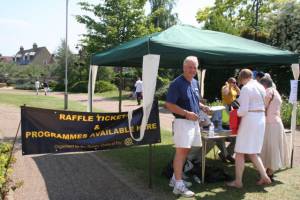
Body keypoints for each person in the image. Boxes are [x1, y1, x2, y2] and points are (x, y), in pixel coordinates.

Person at [165, 56, 210, 197]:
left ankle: (174, 179)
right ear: (184, 67)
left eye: (194, 67)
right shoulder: (176, 83)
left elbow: (196, 101)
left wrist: (203, 107)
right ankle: (178, 184)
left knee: (186, 151)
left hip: (193, 122)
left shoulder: (195, 82)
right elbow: (169, 105)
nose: (192, 70)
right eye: (189, 67)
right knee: (181, 152)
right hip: (182, 122)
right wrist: (186, 113)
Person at [226, 69, 271, 188]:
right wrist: (236, 104)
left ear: (241, 78)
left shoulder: (246, 88)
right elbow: (247, 102)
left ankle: (238, 182)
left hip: (250, 120)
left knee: (240, 151)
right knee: (253, 152)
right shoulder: (260, 86)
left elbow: (243, 110)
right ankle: (264, 176)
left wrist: (234, 113)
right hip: (261, 119)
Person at [259, 77, 290, 180]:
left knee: (269, 147)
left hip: (270, 123)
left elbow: (263, 107)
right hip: (277, 122)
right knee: (274, 147)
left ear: (264, 85)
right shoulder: (276, 92)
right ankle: (270, 172)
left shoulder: (268, 92)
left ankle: (268, 173)